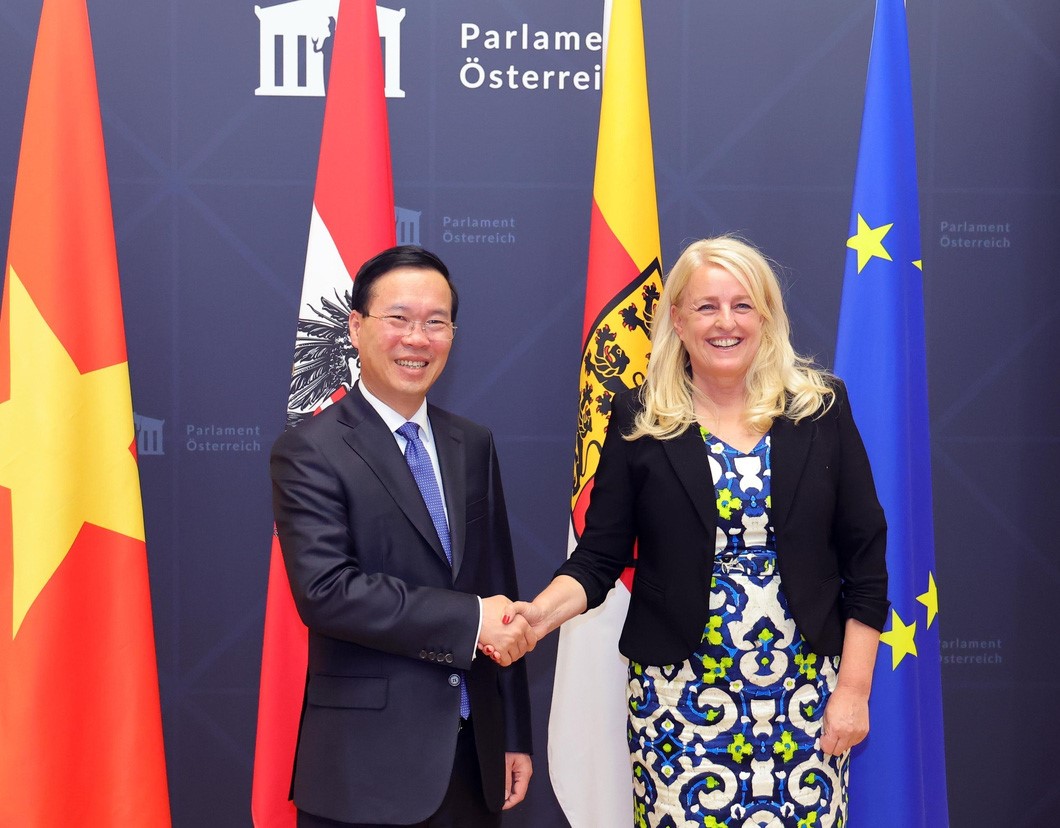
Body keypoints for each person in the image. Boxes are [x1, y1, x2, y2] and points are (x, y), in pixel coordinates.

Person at [493, 236, 888, 826]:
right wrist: (538, 616)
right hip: (677, 699)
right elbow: (598, 558)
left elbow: (865, 560)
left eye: (742, 305)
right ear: (677, 320)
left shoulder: (820, 408)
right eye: (706, 306)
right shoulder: (639, 417)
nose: (726, 322)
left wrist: (854, 689)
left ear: (766, 316)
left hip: (806, 694)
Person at [271, 245, 535, 827]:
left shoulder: (473, 443)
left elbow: (499, 589)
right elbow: (327, 592)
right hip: (364, 772)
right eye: (398, 318)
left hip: (473, 762)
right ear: (356, 327)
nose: (417, 338)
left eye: (436, 322)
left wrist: (513, 732)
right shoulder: (310, 450)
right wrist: (470, 620)